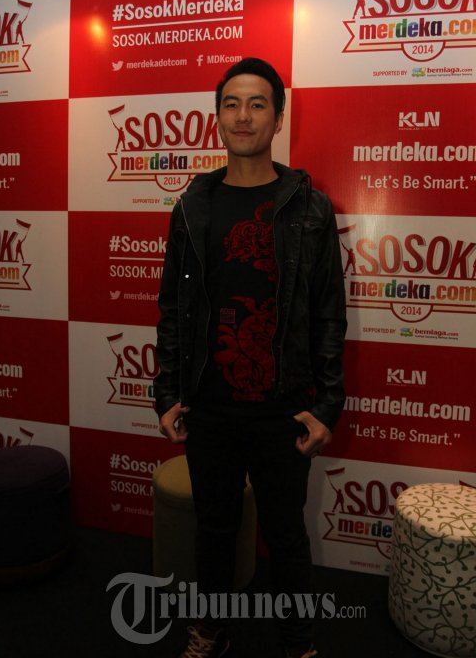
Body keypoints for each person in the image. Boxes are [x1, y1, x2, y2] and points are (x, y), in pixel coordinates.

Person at [154, 57, 347, 658]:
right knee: (214, 528)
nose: (243, 115)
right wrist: (167, 392)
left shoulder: (310, 208)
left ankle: (297, 640)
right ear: (217, 117)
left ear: (278, 119)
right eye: (231, 104)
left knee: (286, 535)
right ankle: (213, 629)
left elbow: (328, 314)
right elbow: (173, 308)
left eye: (257, 104)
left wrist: (326, 406)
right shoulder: (192, 207)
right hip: (210, 406)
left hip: (283, 407)